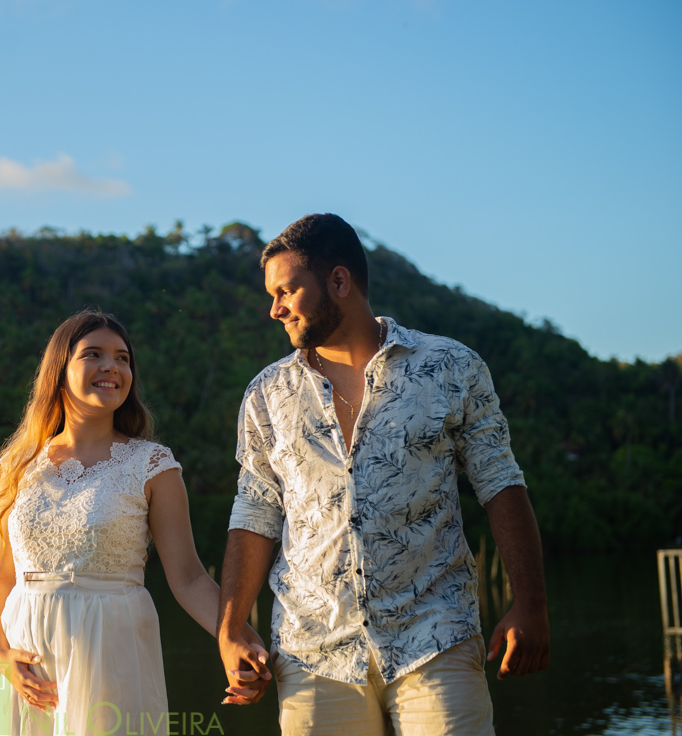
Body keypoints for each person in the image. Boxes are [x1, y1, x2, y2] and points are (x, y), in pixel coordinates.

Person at [216, 214, 550, 736]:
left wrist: (530, 604)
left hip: (435, 633)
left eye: (286, 291)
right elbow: (255, 510)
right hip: (312, 650)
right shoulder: (266, 394)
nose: (274, 309)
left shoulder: (450, 366)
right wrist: (231, 628)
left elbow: (500, 483)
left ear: (339, 281)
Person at [0, 311, 267, 736]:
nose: (111, 367)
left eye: (122, 358)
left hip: (112, 650)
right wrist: (0, 655)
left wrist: (236, 636)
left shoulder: (152, 465)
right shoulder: (18, 464)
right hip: (30, 661)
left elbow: (189, 578)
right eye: (93, 354)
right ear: (59, 370)